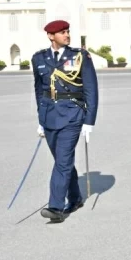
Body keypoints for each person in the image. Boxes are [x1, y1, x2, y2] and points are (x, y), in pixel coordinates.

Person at [32, 20, 99, 223]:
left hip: (72, 115)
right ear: (51, 36)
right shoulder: (38, 58)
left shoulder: (79, 56)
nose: (67, 35)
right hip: (49, 116)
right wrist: (40, 119)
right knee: (63, 161)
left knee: (62, 161)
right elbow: (39, 90)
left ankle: (56, 207)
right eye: (62, 32)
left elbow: (91, 89)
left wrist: (89, 121)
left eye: (67, 31)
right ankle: (76, 198)